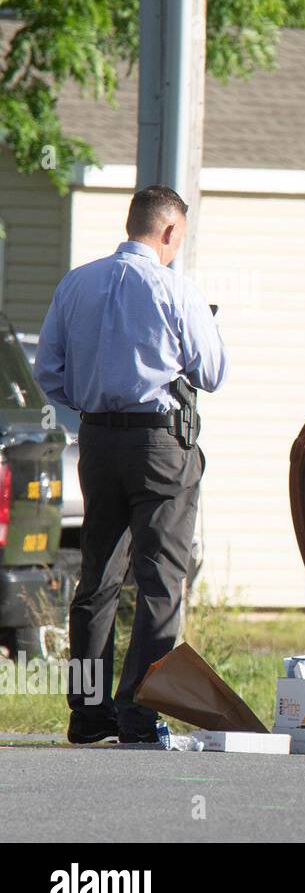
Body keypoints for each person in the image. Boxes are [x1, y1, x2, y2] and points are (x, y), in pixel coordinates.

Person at [34, 185, 229, 744]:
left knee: (97, 579)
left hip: (97, 439)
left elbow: (49, 371)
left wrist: (93, 400)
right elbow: (212, 372)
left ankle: (87, 712)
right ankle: (139, 712)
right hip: (160, 443)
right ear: (169, 231)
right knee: (160, 581)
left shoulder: (76, 283)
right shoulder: (176, 289)